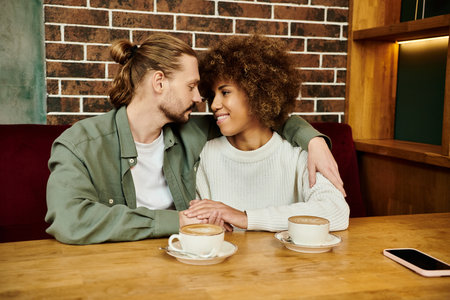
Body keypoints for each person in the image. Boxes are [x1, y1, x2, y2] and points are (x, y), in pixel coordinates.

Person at [45, 33, 344, 245]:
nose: (201, 99)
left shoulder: (192, 130)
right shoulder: (79, 144)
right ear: (159, 82)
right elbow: (69, 219)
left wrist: (313, 140)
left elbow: (263, 117)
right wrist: (179, 221)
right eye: (192, 86)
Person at [185, 35, 349, 232]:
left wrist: (245, 218)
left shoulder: (299, 153)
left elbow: (337, 212)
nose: (214, 105)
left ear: (257, 92)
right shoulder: (206, 155)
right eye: (212, 96)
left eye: (225, 92)